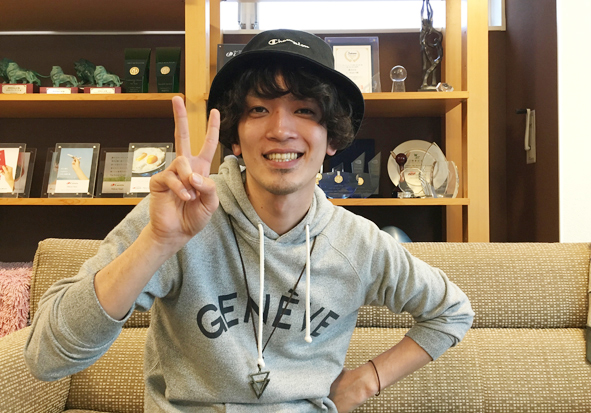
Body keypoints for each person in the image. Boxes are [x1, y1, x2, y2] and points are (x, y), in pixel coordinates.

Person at [25, 29, 474, 412]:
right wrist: (157, 242)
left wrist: (366, 380)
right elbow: (46, 356)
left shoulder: (357, 243)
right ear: (235, 136)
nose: (280, 129)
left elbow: (451, 311)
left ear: (332, 138)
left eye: (305, 110)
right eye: (259, 109)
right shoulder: (179, 214)